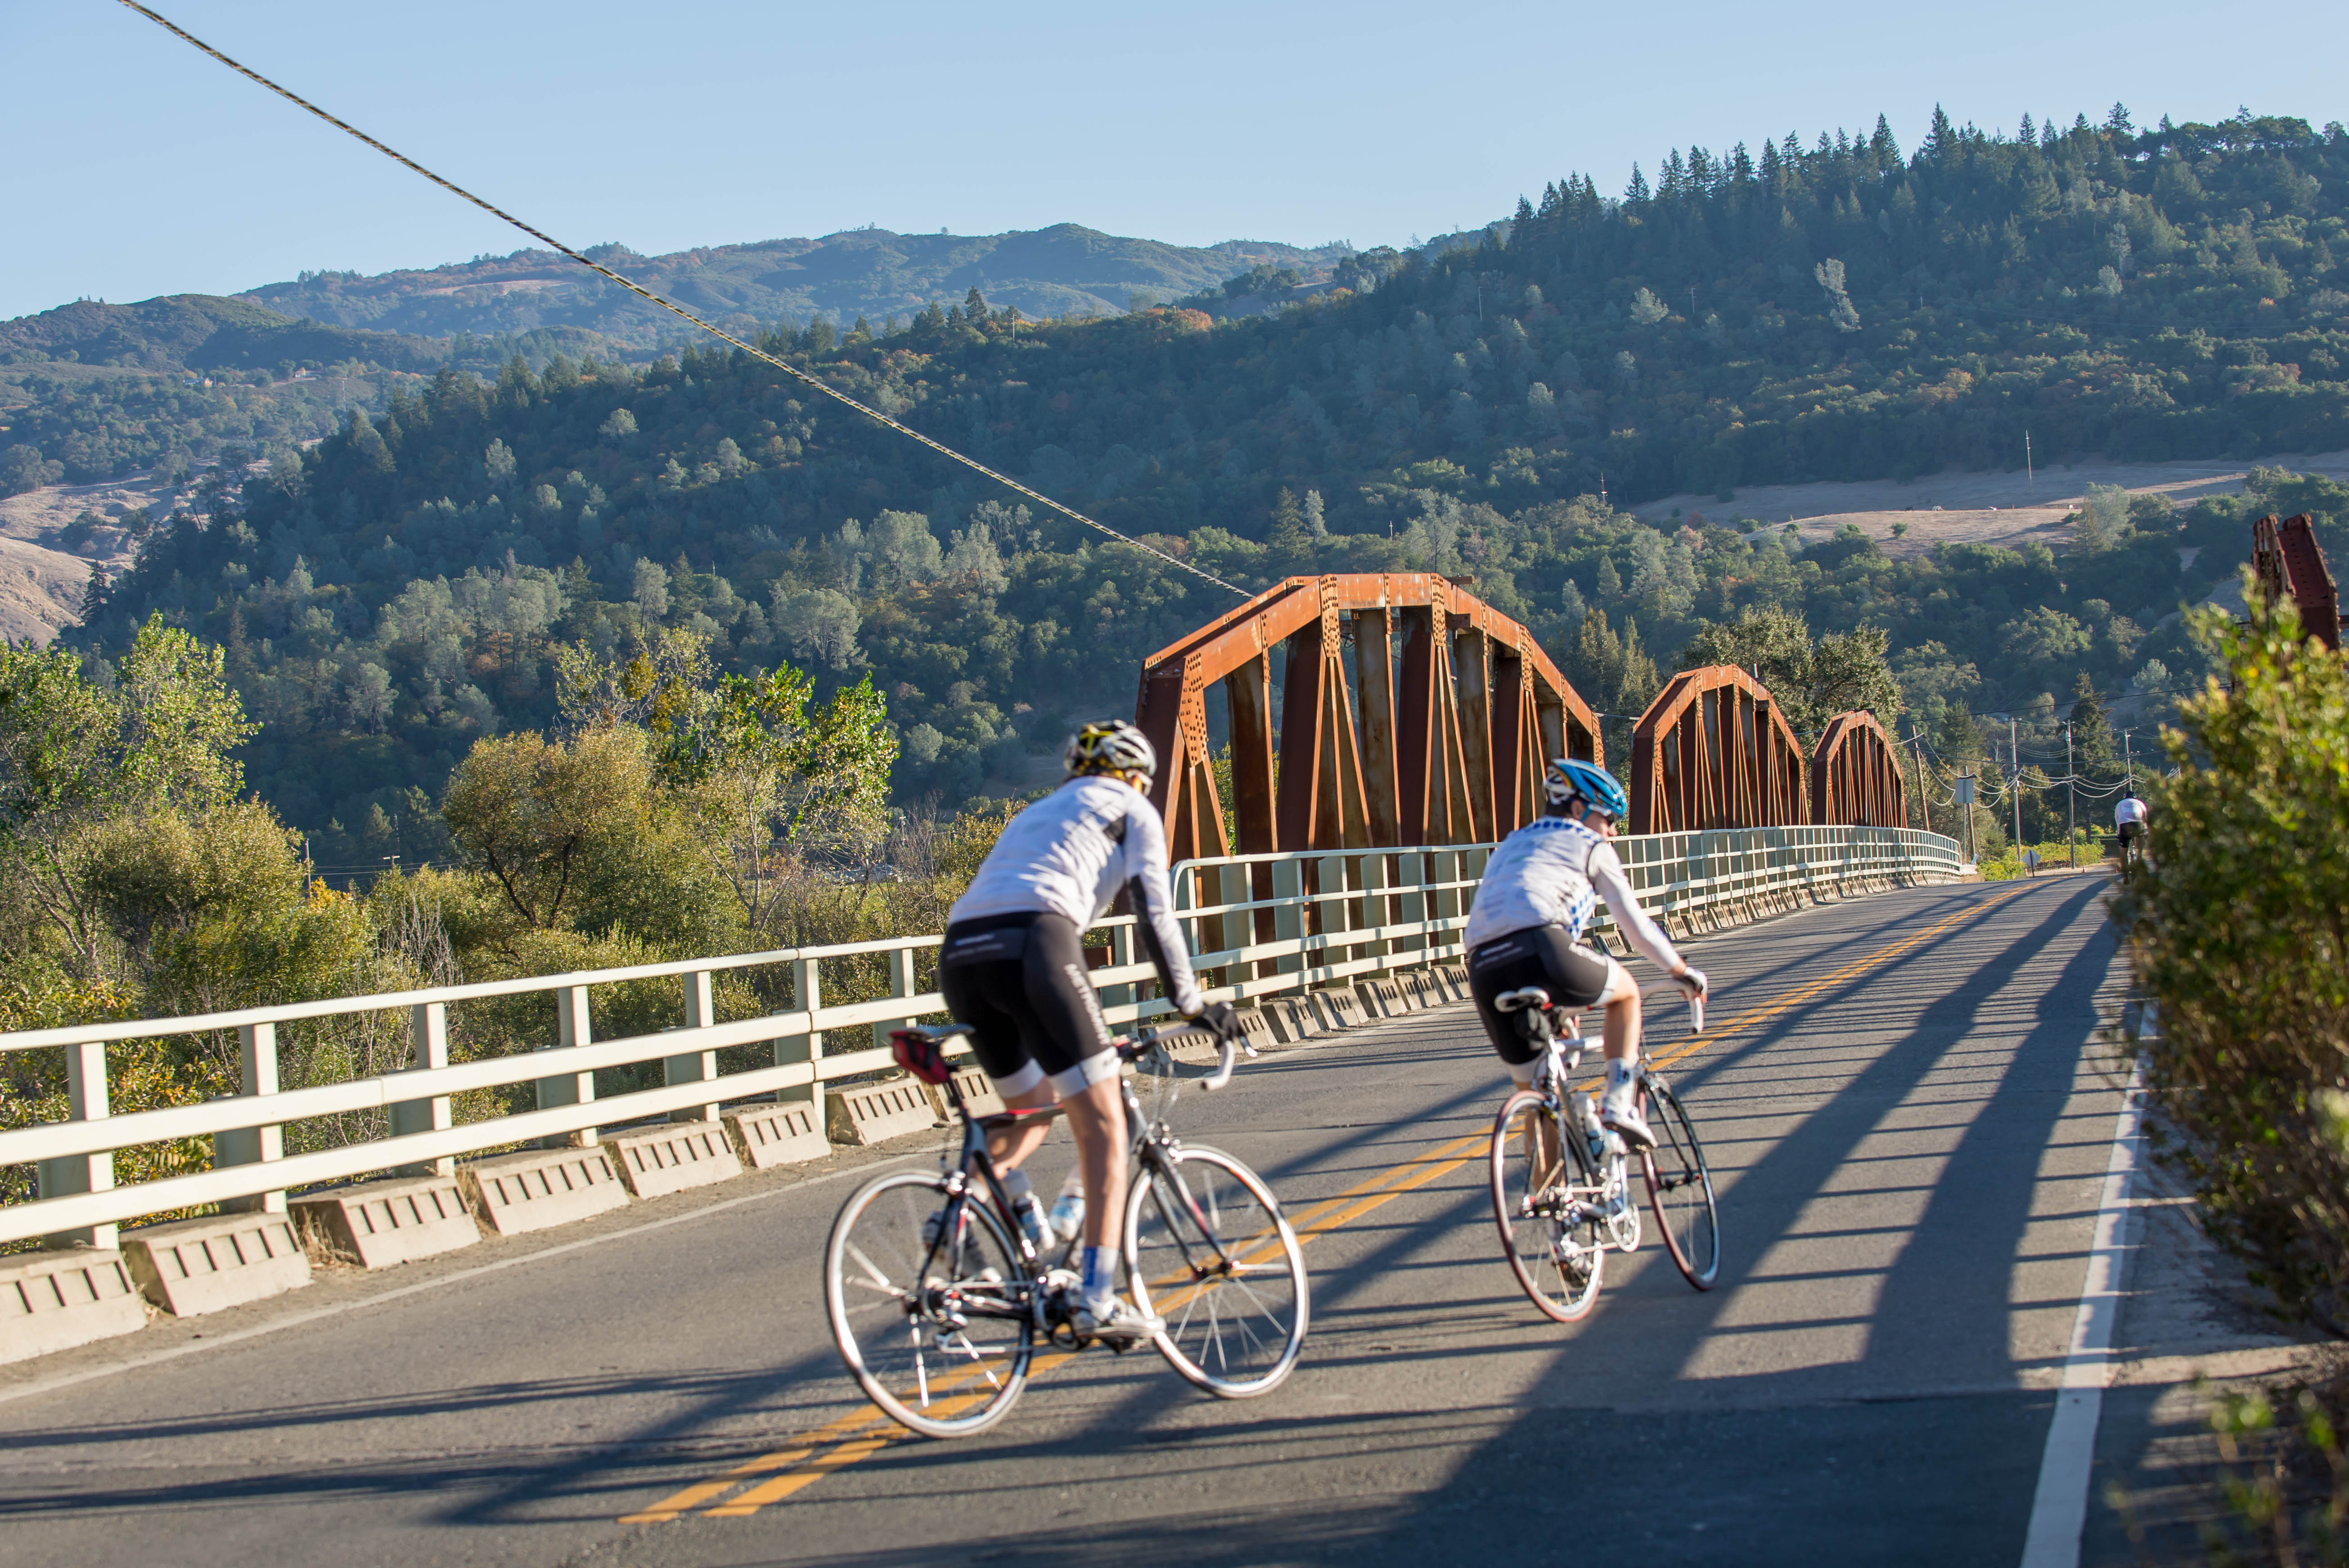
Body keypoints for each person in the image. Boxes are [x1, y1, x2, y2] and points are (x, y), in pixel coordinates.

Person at [936, 719, 1242, 1345]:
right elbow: (1156, 915)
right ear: (1135, 776)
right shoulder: (1134, 809)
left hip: (963, 952)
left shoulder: (1038, 813)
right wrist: (1192, 1004)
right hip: (1036, 944)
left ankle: (957, 1216)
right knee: (1105, 1126)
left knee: (1032, 1109)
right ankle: (1097, 1298)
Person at [1462, 758, 1707, 1148]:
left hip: (1482, 966)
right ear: (1578, 809)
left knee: (1540, 1100)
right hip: (1541, 945)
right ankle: (1618, 1104)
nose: (1612, 829)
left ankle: (1546, 1195)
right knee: (1626, 992)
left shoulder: (1510, 843)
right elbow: (1637, 928)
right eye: (1608, 817)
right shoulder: (1590, 844)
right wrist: (1681, 969)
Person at [2115, 786, 2148, 866]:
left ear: (2125, 797)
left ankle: (2125, 869)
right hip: (2138, 824)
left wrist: (2119, 834)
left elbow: (2117, 820)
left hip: (2124, 825)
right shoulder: (2140, 803)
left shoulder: (2120, 804)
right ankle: (2140, 858)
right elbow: (2145, 817)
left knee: (2124, 851)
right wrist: (2146, 831)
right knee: (2140, 848)